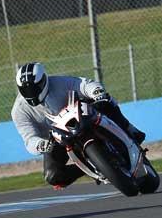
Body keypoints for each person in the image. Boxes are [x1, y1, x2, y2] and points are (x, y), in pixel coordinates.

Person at [11, 62, 146, 189]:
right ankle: (95, 168)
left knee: (105, 101)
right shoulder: (19, 111)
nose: (31, 93)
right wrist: (41, 144)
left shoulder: (58, 83)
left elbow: (84, 85)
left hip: (82, 117)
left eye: (34, 88)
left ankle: (128, 128)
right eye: (26, 90)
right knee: (52, 176)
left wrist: (97, 92)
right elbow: (29, 139)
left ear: (44, 81)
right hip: (57, 139)